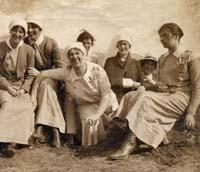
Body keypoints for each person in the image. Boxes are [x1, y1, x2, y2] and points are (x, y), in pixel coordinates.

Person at [109, 23, 200, 160]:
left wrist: (191, 112)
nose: (162, 39)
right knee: (131, 95)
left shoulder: (190, 57)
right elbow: (159, 84)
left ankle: (131, 141)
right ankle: (137, 134)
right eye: (161, 36)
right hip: (165, 94)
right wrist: (142, 88)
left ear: (176, 36)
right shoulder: (162, 59)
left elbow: (197, 85)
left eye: (165, 35)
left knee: (146, 99)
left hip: (181, 97)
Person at [34, 42, 118, 146]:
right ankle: (83, 143)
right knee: (89, 123)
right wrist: (33, 96)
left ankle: (109, 131)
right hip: (87, 105)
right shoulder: (67, 72)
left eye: (77, 53)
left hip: (106, 104)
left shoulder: (97, 70)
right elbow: (43, 74)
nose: (74, 57)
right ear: (68, 58)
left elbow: (106, 95)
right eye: (71, 54)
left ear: (83, 55)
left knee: (112, 129)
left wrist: (97, 114)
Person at [24, 16, 65, 148]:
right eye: (28, 27)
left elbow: (59, 69)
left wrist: (42, 74)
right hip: (32, 80)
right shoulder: (25, 43)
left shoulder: (51, 43)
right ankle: (55, 130)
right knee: (44, 86)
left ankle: (40, 126)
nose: (30, 30)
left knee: (46, 84)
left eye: (33, 27)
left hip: (51, 79)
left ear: (40, 28)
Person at [0, 18, 35, 157]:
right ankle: (6, 142)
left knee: (26, 107)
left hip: (20, 87)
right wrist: (7, 87)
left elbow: (30, 75)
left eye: (21, 31)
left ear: (24, 34)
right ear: (10, 31)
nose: (17, 34)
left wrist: (23, 89)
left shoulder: (28, 50)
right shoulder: (1, 46)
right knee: (8, 105)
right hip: (3, 85)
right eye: (15, 30)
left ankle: (14, 142)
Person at [104, 30, 142, 103]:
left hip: (131, 99)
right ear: (117, 46)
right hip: (113, 99)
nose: (122, 47)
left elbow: (141, 81)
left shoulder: (136, 63)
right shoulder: (109, 62)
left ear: (129, 46)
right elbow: (106, 81)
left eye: (125, 44)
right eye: (120, 44)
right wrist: (130, 83)